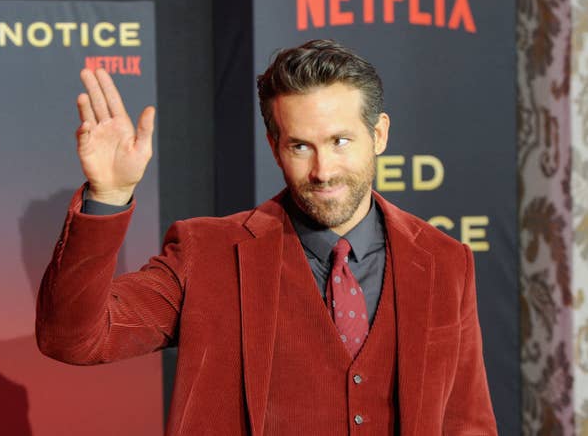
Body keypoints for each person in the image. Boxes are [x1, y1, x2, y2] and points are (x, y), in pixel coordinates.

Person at [36, 39, 498, 435]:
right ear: (275, 146)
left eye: (340, 141)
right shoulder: (207, 254)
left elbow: (467, 422)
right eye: (301, 146)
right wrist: (109, 196)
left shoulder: (443, 260)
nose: (323, 170)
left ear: (378, 134)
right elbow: (74, 339)